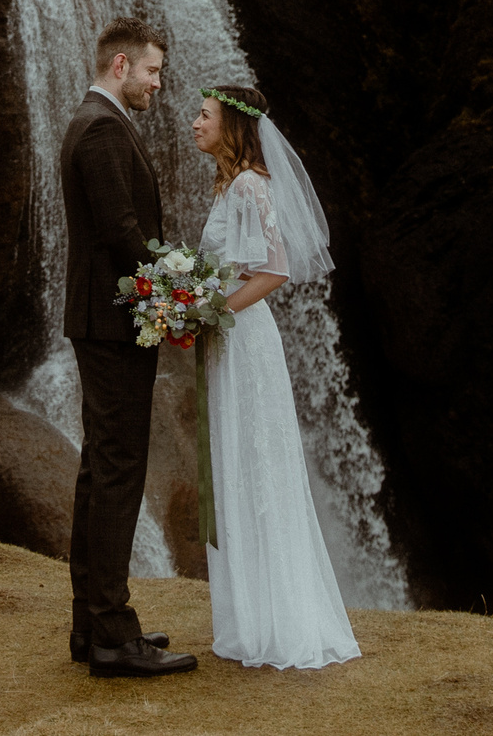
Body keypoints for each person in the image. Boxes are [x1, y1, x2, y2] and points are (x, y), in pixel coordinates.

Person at [190, 84, 361, 670]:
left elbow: (275, 271)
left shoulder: (246, 185)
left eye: (204, 115)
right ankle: (256, 617)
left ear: (231, 128)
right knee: (241, 465)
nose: (194, 123)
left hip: (244, 339)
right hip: (231, 339)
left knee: (257, 467)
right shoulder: (231, 183)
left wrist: (209, 311)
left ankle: (278, 621)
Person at [59, 17, 198, 678]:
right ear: (121, 64)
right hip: (114, 325)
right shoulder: (104, 128)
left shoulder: (94, 121)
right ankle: (113, 633)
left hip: (102, 323)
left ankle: (93, 623)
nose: (157, 82)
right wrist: (178, 294)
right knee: (117, 474)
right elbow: (121, 232)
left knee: (99, 472)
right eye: (152, 71)